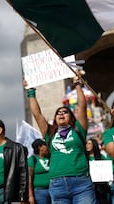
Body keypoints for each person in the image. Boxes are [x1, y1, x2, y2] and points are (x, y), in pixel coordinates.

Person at [26, 74, 97, 203]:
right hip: (57, 185)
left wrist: (77, 85)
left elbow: (82, 107)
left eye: (65, 112)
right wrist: (30, 92)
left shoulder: (78, 130)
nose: (61, 114)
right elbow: (37, 114)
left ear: (71, 118)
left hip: (81, 183)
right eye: (58, 113)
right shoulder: (49, 133)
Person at [86, 138, 112, 204]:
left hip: (101, 187)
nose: (87, 145)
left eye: (89, 144)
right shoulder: (84, 158)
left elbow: (108, 167)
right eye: (86, 143)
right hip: (88, 186)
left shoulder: (101, 157)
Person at [28, 139, 50, 204]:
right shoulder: (32, 160)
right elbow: (29, 179)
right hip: (40, 192)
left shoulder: (51, 158)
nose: (47, 148)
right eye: (45, 145)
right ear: (39, 147)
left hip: (53, 190)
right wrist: (31, 196)